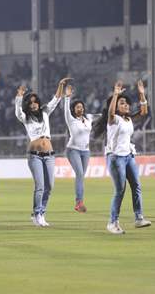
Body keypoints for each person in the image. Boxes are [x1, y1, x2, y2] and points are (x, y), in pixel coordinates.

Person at [92, 80, 151, 234]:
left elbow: (144, 111)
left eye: (127, 103)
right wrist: (116, 94)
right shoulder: (113, 119)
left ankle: (139, 218)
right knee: (120, 190)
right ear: (116, 105)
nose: (126, 105)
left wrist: (142, 93)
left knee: (136, 186)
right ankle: (112, 222)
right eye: (122, 103)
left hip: (128, 156)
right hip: (115, 157)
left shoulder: (128, 119)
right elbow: (111, 112)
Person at [15, 77, 70, 227]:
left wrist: (60, 84)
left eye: (35, 101)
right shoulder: (26, 118)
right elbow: (18, 112)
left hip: (50, 155)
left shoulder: (45, 112)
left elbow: (56, 99)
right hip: (35, 156)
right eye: (30, 102)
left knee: (50, 187)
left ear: (38, 103)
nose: (33, 104)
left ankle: (41, 213)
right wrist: (19, 96)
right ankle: (37, 214)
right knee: (40, 186)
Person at [63, 84, 94, 213]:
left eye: (81, 107)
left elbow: (102, 115)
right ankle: (79, 202)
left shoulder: (88, 119)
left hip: (86, 151)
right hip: (73, 150)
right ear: (74, 109)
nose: (80, 109)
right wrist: (67, 97)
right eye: (77, 107)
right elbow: (65, 110)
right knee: (80, 174)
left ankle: (79, 201)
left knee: (81, 176)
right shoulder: (71, 119)